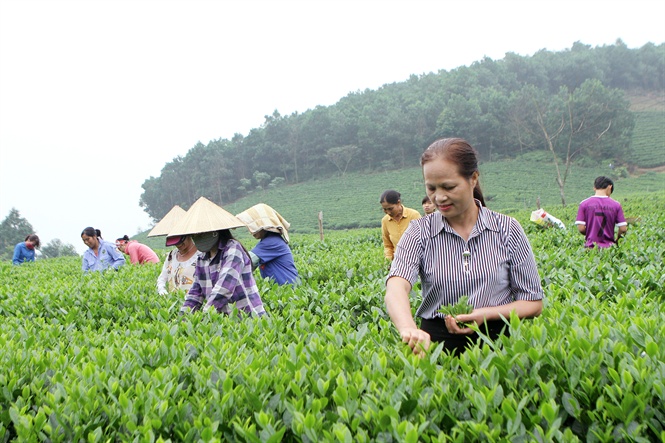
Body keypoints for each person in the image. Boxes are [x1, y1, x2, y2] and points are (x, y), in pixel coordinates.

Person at [384, 138, 544, 357]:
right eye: (431, 188)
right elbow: (396, 287)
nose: (439, 197)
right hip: (435, 347)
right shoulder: (419, 232)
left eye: (449, 187)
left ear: (473, 178)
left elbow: (533, 302)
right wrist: (409, 329)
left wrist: (485, 314)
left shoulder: (507, 229)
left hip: (500, 347)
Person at [168, 196, 266, 316]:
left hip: (247, 318)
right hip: (222, 321)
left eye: (202, 232)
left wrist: (206, 315)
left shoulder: (232, 249)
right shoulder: (202, 259)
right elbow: (195, 294)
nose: (198, 236)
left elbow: (224, 288)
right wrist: (182, 318)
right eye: (195, 233)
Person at [236, 203, 299, 285]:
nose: (251, 231)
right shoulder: (268, 241)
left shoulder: (272, 241)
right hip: (281, 290)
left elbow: (247, 261)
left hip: (289, 291)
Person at [575, 176, 628, 248]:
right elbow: (623, 229)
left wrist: (591, 233)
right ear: (610, 187)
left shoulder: (584, 204)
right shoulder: (616, 205)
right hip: (609, 248)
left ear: (594, 188)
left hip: (590, 248)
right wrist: (617, 240)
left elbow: (581, 228)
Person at [380, 190, 421, 260]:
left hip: (416, 259)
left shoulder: (414, 215)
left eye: (390, 209)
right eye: (385, 209)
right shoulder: (385, 221)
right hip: (398, 261)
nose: (388, 212)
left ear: (398, 203)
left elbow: (423, 240)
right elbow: (388, 245)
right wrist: (388, 260)